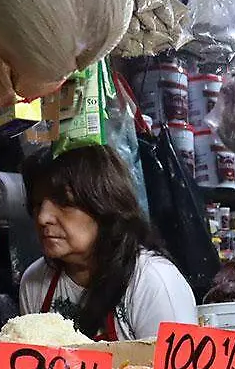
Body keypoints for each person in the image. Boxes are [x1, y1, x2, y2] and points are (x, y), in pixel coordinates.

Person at [18, 145, 198, 340]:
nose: (43, 217)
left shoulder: (154, 282)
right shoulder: (35, 282)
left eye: (64, 203)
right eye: (37, 205)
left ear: (104, 205)